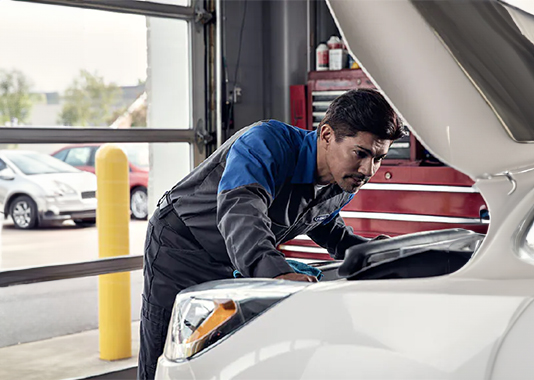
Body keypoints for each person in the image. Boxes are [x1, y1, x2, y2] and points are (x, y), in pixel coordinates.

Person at [138, 88, 405, 379]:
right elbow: (241, 211)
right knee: (167, 350)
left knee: (216, 351)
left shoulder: (343, 180)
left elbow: (325, 224)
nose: (369, 169)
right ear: (327, 135)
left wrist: (365, 253)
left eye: (379, 158)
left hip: (234, 255)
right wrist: (277, 274)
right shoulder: (264, 143)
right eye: (361, 153)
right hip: (179, 244)